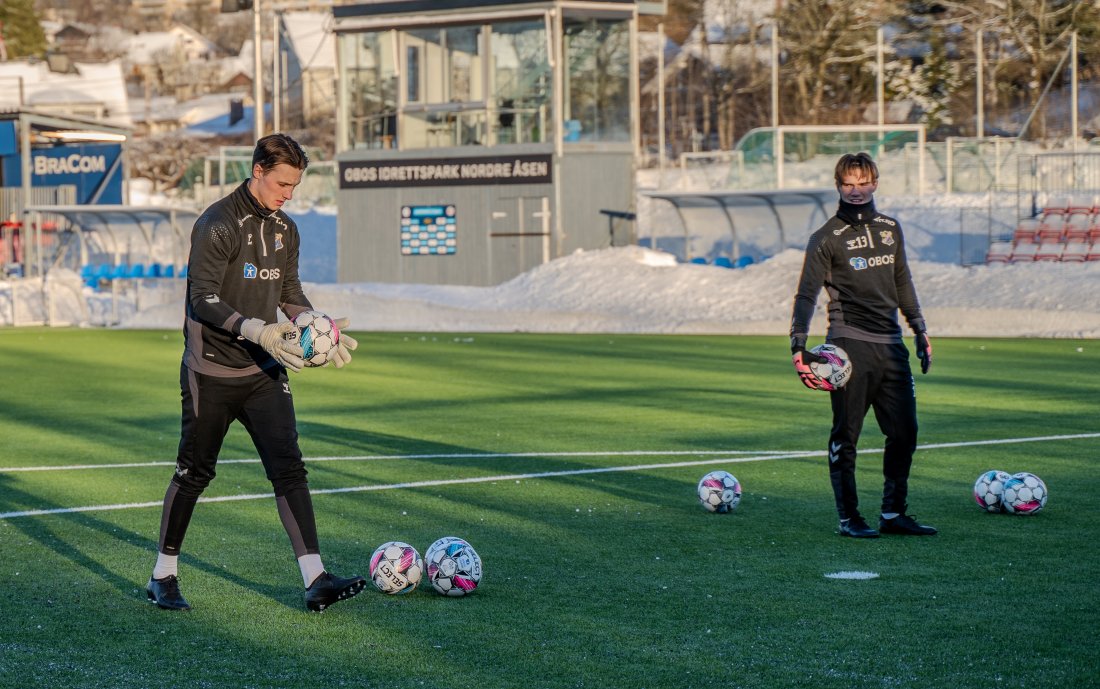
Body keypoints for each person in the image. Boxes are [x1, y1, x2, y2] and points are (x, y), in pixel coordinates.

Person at [146, 133, 365, 612]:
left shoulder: (286, 229)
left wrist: (313, 327)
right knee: (195, 472)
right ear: (259, 171)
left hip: (264, 372)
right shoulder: (217, 224)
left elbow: (288, 290)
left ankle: (316, 578)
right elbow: (201, 299)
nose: (289, 193)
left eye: (295, 186)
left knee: (289, 467)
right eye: (283, 183)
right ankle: (163, 574)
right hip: (212, 372)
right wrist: (256, 329)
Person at [789, 151, 936, 539]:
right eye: (848, 184)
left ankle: (893, 513)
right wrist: (798, 345)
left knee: (905, 432)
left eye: (863, 183)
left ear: (875, 183)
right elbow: (806, 294)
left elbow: (902, 281)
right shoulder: (825, 237)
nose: (856, 191)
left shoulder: (891, 228)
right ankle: (849, 518)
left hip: (892, 346)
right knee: (847, 435)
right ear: (838, 186)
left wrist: (919, 328)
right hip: (848, 345)